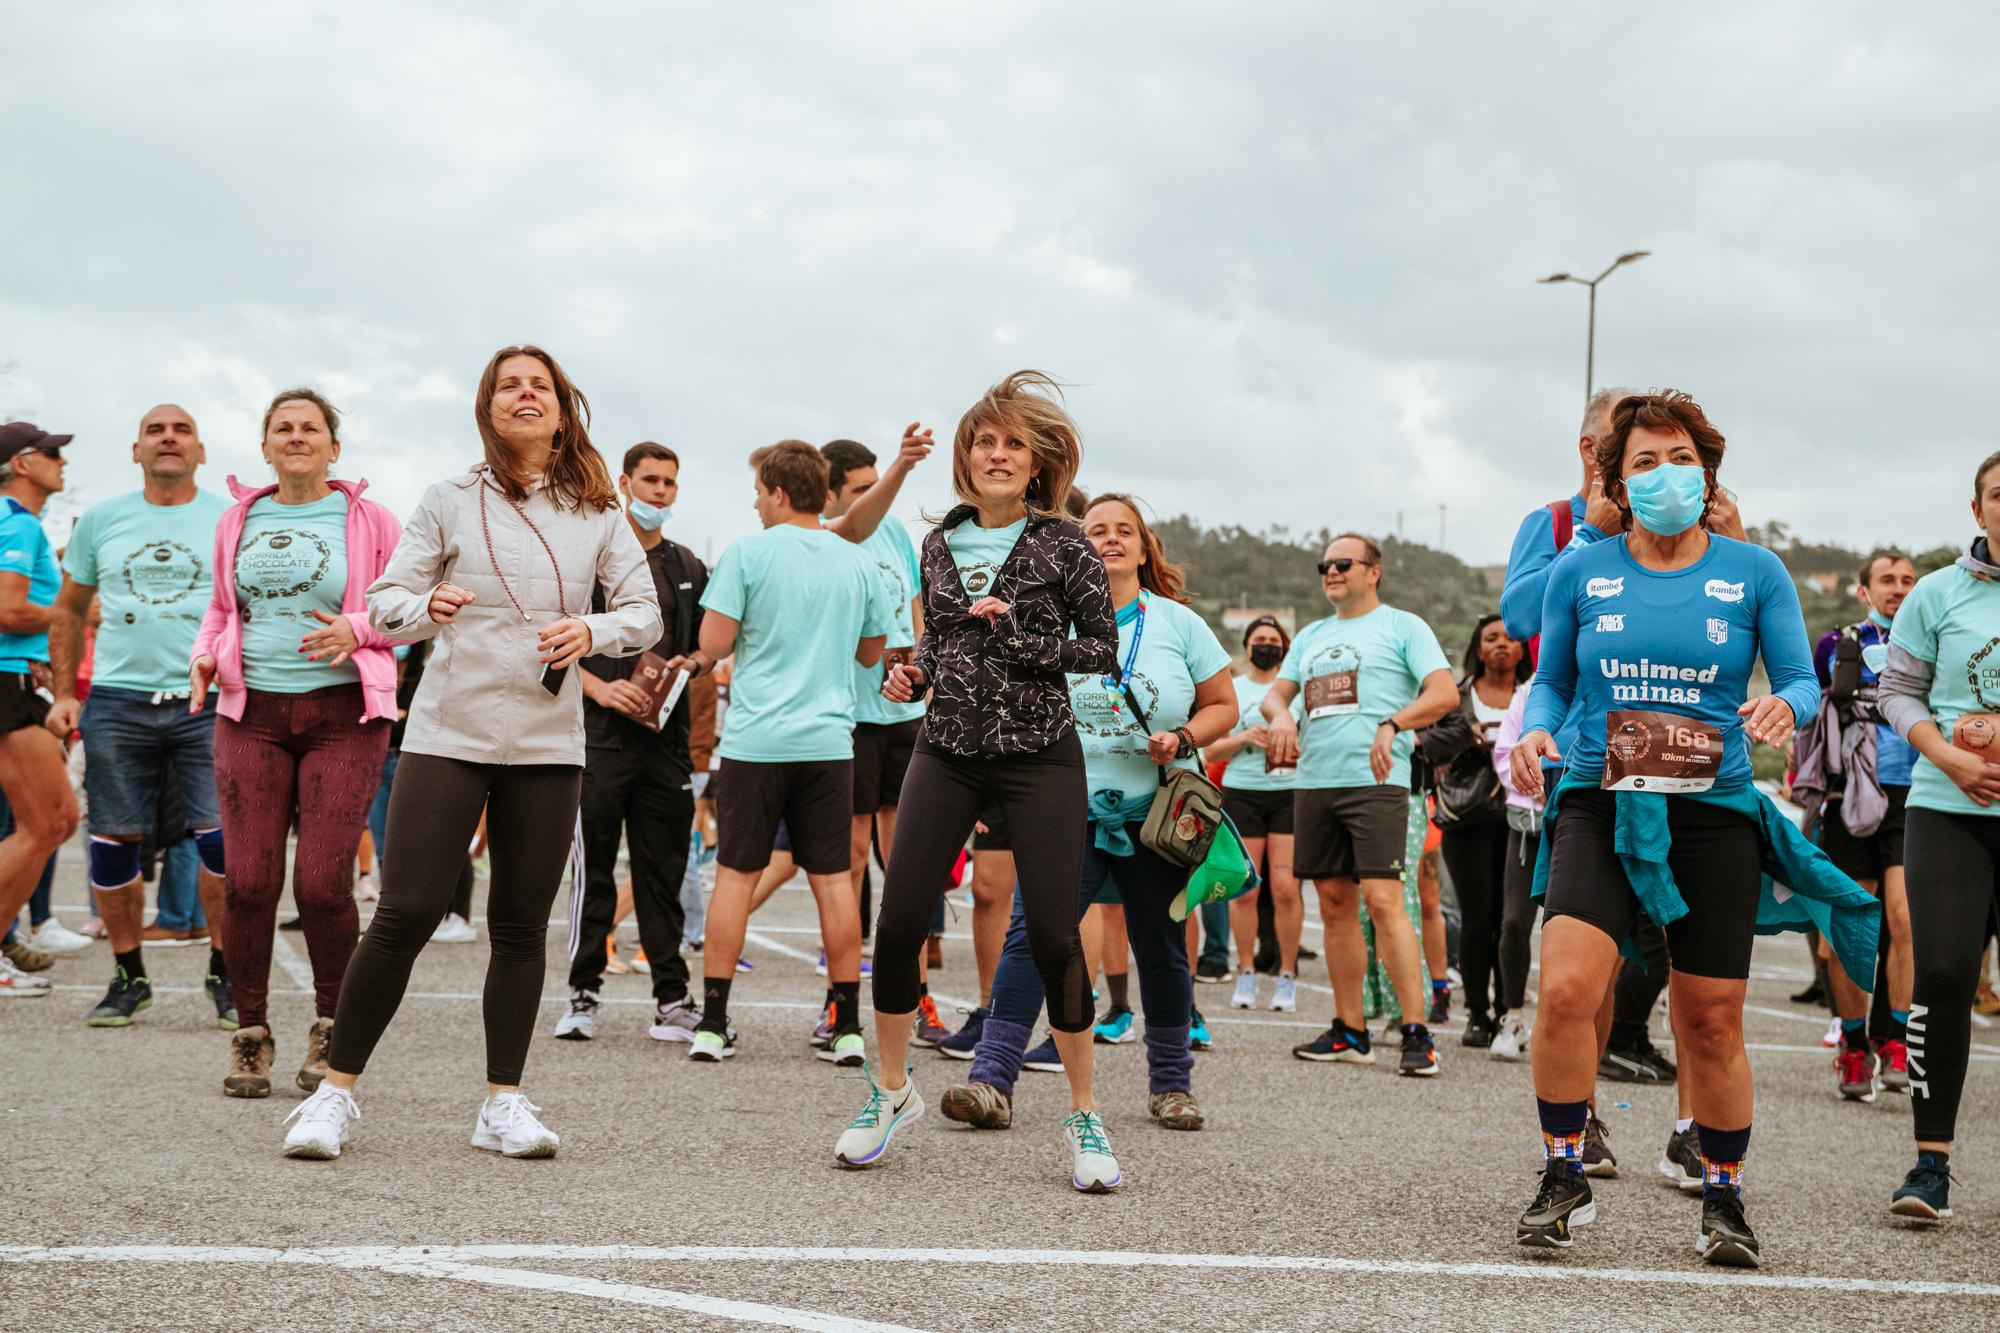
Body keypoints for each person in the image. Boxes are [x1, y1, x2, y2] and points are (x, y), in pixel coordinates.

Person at [1508, 389, 1874, 1265]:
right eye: (1645, 461)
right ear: (1616, 480)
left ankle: (1724, 1195)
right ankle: (1563, 1172)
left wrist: (1784, 708)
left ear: (1707, 474)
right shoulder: (1580, 571)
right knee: (1565, 990)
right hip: (1598, 797)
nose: (1665, 474)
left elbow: (1797, 678)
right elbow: (1553, 680)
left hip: (1712, 811)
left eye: (1682, 459)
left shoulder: (1755, 571)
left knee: (1709, 1019)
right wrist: (1536, 730)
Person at [280, 344, 661, 1161]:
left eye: (540, 386)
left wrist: (591, 629)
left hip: (547, 741)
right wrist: (428, 604)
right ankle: (333, 1094)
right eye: (508, 385)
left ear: (561, 408)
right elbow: (385, 602)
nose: (525, 394)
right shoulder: (448, 498)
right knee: (406, 910)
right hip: (448, 732)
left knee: (520, 925)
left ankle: (502, 1104)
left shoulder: (599, 508)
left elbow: (644, 613)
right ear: (487, 407)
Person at [829, 370, 1123, 1192]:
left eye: (1013, 444)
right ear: (965, 458)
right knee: (898, 924)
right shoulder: (939, 543)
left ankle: (1084, 1113)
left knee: (1057, 937)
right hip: (948, 747)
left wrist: (1023, 637)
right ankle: (891, 1092)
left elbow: (1100, 648)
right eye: (984, 442)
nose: (998, 454)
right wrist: (913, 672)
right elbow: (939, 644)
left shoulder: (1067, 542)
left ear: (1036, 462)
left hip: (1040, 753)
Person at [941, 492, 1235, 1137]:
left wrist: (1185, 737)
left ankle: (1172, 1086)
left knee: (1161, 949)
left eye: (1124, 530)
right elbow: (998, 707)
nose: (1110, 539)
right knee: (1032, 939)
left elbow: (1223, 705)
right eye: (1096, 529)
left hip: (1154, 814)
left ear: (1144, 548)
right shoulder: (1043, 618)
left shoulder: (1178, 623)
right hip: (1060, 809)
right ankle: (991, 1080)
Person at [188, 389, 400, 1096]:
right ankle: (250, 1033)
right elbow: (221, 610)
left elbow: (406, 608)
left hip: (344, 715)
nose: (298, 436)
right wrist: (205, 655)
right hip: (250, 713)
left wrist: (358, 628)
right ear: (266, 446)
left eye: (312, 427)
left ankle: (332, 1025)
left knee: (320, 882)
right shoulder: (237, 520)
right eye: (284, 427)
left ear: (335, 447)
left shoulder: (370, 520)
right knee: (249, 882)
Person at [664, 440, 893, 1065]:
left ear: (780, 492)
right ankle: (847, 1027)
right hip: (829, 742)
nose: (756, 504)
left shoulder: (748, 552)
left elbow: (714, 642)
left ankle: (713, 1024)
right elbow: (871, 653)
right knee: (835, 882)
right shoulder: (857, 562)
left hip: (756, 742)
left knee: (735, 877)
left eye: (759, 493)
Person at [47, 405, 235, 1029]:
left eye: (181, 430)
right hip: (117, 701)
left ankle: (225, 970)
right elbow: (69, 608)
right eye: (155, 430)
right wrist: (65, 694)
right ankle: (129, 975)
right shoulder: (103, 520)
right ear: (136, 451)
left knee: (222, 842)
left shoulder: (230, 518)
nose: (168, 438)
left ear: (201, 451)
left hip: (205, 701)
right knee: (112, 844)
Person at [1264, 534, 1458, 1075]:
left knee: (1383, 901)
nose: (1331, 571)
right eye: (1324, 564)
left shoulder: (1402, 626)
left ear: (1374, 572)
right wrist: (1281, 716)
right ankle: (1351, 1030)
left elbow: (1444, 693)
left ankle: (1417, 1032)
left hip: (1377, 782)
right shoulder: (1311, 635)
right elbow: (1277, 694)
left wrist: (1393, 723)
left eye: (1343, 563)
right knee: (1332, 904)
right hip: (1315, 780)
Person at [1878, 450, 2000, 1222]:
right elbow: (1897, 691)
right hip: (1947, 808)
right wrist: (1949, 756)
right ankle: (1931, 1163)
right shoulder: (1936, 593)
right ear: (1977, 509)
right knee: (1947, 974)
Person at [554, 441, 709, 1045]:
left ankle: (672, 999)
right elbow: (549, 640)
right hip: (598, 742)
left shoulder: (687, 565)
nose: (660, 492)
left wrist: (689, 666)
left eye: (669, 482)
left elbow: (704, 646)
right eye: (650, 481)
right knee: (593, 874)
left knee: (663, 875)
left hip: (666, 744)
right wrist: (598, 689)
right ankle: (582, 995)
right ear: (624, 484)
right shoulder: (589, 558)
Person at [821, 439, 951, 1046]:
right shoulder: (828, 537)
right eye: (861, 487)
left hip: (903, 719)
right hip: (848, 719)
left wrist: (926, 677)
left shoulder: (897, 533)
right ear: (831, 495)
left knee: (908, 865)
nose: (877, 496)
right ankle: (839, 1001)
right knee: (847, 862)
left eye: (879, 482)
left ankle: (918, 997)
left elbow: (919, 612)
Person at [1791, 551, 1919, 1102]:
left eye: (1908, 580)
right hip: (1848, 800)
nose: (1899, 588)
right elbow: (1808, 707)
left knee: (1905, 919)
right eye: (1887, 579)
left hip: (1913, 798)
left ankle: (1896, 1040)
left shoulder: (1930, 643)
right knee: (1850, 927)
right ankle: (1852, 1042)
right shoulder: (1836, 644)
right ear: (1864, 591)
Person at [0, 423, 78, 1000]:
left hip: (19, 679)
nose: (61, 462)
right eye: (51, 453)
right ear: (22, 464)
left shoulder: (17, 522)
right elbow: (8, 610)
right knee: (47, 823)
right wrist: (77, 612)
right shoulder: (18, 523)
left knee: (57, 821)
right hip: (8, 679)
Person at [1428, 615, 1529, 1047]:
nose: (1501, 644)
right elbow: (1429, 743)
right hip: (1465, 817)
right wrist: (1464, 740)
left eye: (1509, 638)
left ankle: (1508, 1011)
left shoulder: (1536, 694)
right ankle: (1475, 1013)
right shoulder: (1454, 696)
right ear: (1478, 648)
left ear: (1522, 649)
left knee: (1511, 921)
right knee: (1475, 919)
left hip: (1520, 818)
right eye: (1491, 638)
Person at [1206, 615, 1303, 1013]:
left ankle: (1287, 975)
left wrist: (1291, 741)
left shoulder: (1295, 692)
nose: (1267, 645)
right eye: (1259, 639)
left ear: (1285, 648)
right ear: (1246, 647)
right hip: (1243, 793)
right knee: (1244, 890)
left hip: (1289, 794)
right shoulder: (1234, 690)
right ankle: (1245, 971)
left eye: (1274, 640)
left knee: (1286, 890)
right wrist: (1245, 737)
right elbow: (1209, 751)